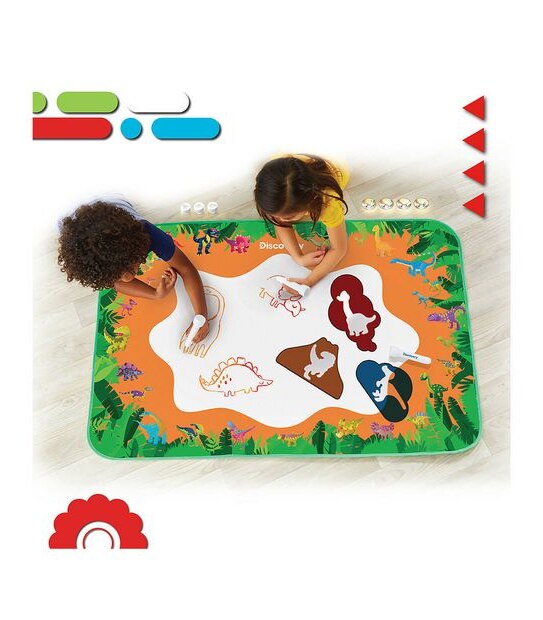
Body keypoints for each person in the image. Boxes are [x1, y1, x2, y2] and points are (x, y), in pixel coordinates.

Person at [57, 197, 209, 343]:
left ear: (136, 248)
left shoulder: (146, 232)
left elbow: (186, 268)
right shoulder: (88, 255)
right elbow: (115, 282)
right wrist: (155, 294)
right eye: (117, 276)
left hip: (113, 202)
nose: (127, 278)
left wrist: (201, 315)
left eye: (129, 268)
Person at [254, 154, 349, 292]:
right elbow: (280, 223)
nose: (278, 219)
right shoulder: (273, 177)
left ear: (310, 203)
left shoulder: (328, 204)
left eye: (289, 217)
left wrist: (308, 281)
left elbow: (339, 249)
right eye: (273, 215)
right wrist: (298, 257)